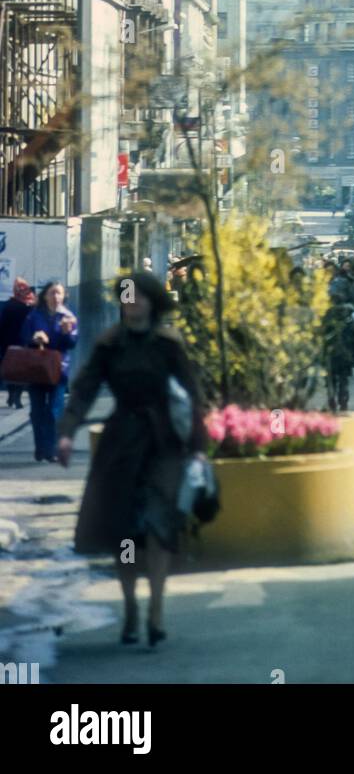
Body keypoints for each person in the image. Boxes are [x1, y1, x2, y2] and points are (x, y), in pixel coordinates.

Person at [57, 271, 206, 647]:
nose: (131, 303)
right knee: (124, 534)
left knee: (158, 528)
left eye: (138, 296)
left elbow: (193, 394)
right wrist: (66, 432)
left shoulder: (168, 344)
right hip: (121, 443)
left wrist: (199, 444)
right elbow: (85, 388)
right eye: (125, 296)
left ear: (152, 302)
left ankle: (155, 609)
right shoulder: (110, 344)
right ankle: (130, 608)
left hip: (163, 445)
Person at [21, 282, 78, 463]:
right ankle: (41, 448)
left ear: (63, 296)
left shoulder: (68, 317)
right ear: (45, 296)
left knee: (54, 411)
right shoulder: (34, 316)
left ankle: (52, 449)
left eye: (59, 293)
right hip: (36, 369)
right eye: (52, 293)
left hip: (58, 369)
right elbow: (23, 336)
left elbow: (72, 344)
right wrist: (35, 338)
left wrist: (66, 333)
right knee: (37, 412)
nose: (55, 297)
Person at [0, 278, 33, 408]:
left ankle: (11, 395)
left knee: (10, 370)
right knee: (22, 372)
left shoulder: (8, 305)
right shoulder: (30, 306)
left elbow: (2, 326)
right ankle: (17, 398)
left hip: (9, 344)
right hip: (24, 343)